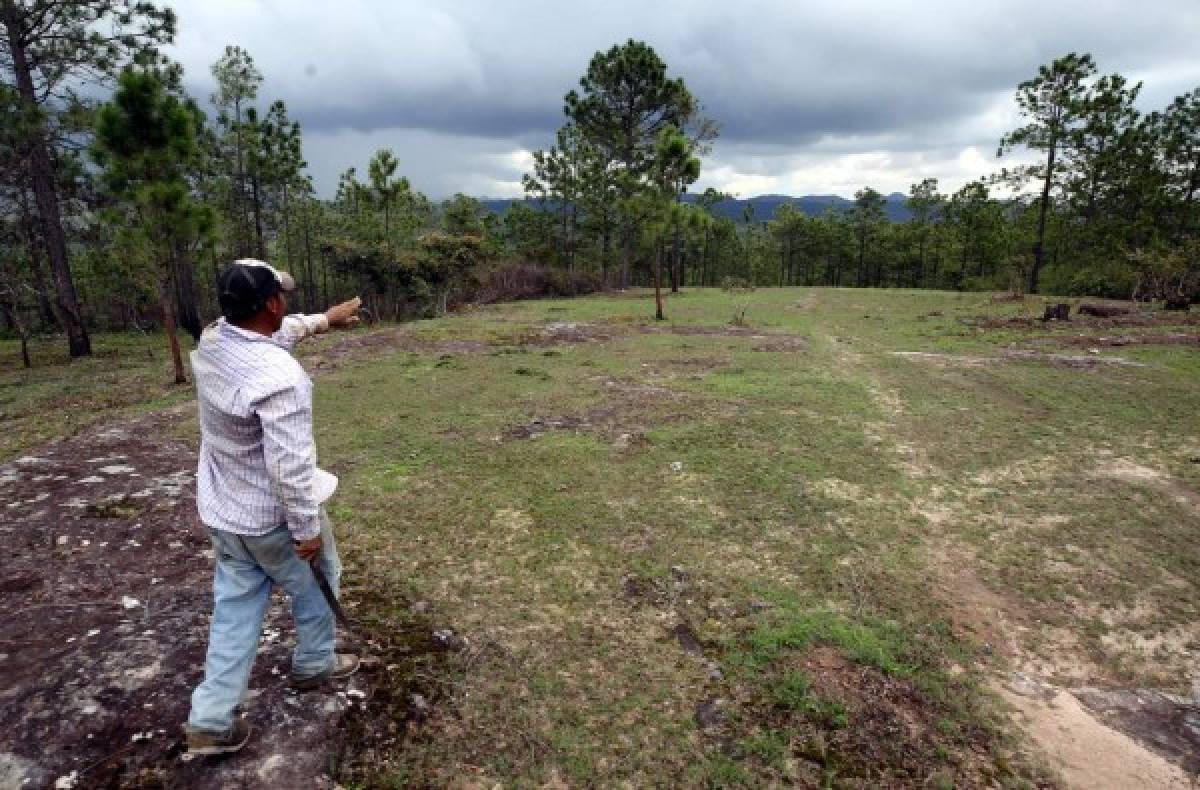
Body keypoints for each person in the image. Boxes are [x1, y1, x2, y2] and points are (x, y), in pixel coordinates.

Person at [183, 258, 363, 756]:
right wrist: (306, 528)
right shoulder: (280, 379)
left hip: (225, 514)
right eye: (282, 294)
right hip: (271, 519)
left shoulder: (215, 341)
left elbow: (277, 336)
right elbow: (289, 467)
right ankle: (314, 665)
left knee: (235, 610)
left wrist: (325, 319)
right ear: (272, 303)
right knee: (315, 579)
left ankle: (212, 718)